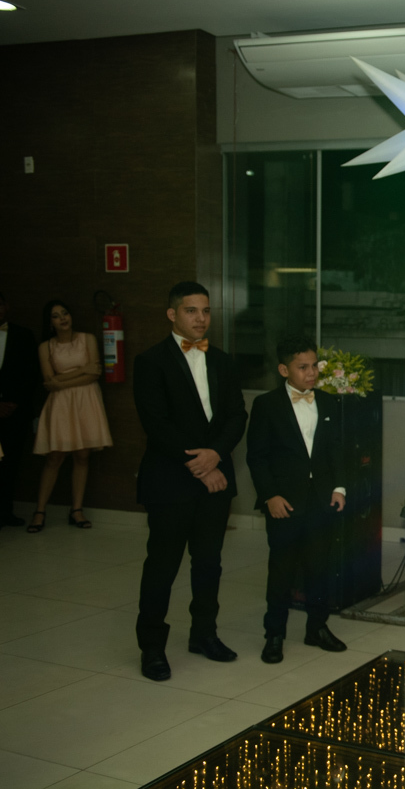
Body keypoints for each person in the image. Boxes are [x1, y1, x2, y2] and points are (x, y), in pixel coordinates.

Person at [133, 281, 248, 682]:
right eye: (191, 311)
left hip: (215, 480)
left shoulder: (223, 361)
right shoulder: (150, 361)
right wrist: (202, 464)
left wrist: (215, 454)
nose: (201, 319)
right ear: (172, 314)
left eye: (206, 311)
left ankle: (204, 634)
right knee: (162, 566)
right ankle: (151, 647)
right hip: (171, 480)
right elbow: (156, 424)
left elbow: (237, 415)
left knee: (209, 563)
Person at [246, 334, 349, 664]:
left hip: (320, 500)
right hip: (285, 502)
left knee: (319, 568)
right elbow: (257, 457)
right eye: (302, 367)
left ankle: (317, 627)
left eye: (314, 366)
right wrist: (270, 496)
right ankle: (274, 633)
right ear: (283, 369)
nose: (311, 373)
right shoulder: (266, 405)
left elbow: (336, 450)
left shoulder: (329, 402)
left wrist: (339, 488)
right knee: (282, 571)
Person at [29, 300, 113, 532]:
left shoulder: (88, 339)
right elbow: (48, 381)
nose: (62, 318)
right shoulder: (45, 347)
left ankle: (77, 510)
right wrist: (81, 370)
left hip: (86, 399)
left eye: (65, 313)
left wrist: (61, 380)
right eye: (56, 316)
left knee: (82, 455)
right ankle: (39, 511)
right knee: (55, 456)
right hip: (60, 404)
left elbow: (94, 373)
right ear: (50, 323)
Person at [0, 291, 41, 530]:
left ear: (6, 306)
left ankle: (6, 511)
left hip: (15, 412)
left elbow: (31, 373)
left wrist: (14, 403)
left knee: (11, 464)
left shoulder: (23, 335)